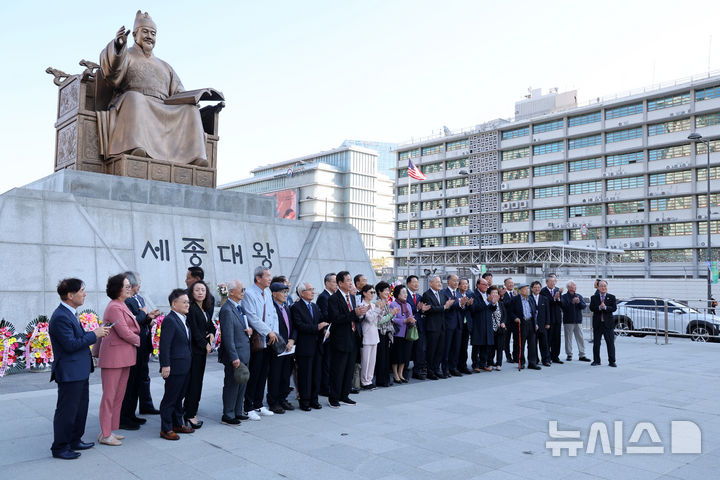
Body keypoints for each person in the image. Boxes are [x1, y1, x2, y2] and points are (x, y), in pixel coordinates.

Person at [98, 11, 210, 165]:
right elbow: (112, 74)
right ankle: (136, 146)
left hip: (163, 107)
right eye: (145, 32)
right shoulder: (127, 55)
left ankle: (195, 157)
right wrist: (118, 47)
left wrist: (193, 98)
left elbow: (178, 92)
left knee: (190, 110)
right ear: (135, 34)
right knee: (135, 98)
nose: (149, 36)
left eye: (153, 33)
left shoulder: (165, 66)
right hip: (132, 102)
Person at [49, 278, 110, 460]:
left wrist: (94, 332)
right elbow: (70, 345)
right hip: (69, 372)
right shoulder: (60, 316)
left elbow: (78, 337)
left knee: (80, 408)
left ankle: (75, 440)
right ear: (70, 295)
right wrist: (94, 335)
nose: (84, 294)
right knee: (67, 411)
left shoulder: (71, 313)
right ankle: (60, 447)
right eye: (82, 290)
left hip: (79, 370)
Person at [97, 274, 140, 446]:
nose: (130, 288)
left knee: (118, 396)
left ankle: (109, 431)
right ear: (117, 289)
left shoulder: (121, 305)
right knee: (109, 396)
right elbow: (124, 332)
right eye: (127, 286)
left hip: (124, 357)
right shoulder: (114, 307)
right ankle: (105, 434)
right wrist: (139, 339)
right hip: (114, 358)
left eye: (130, 286)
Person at [119, 272, 160, 429]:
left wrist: (149, 317)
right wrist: (144, 314)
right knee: (131, 382)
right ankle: (126, 415)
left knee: (142, 377)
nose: (139, 286)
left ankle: (141, 407)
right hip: (134, 345)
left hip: (143, 343)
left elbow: (141, 320)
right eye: (137, 283)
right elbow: (133, 322)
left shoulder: (139, 298)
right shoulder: (126, 302)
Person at [327, 271, 369, 407]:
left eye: (351, 280)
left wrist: (360, 313)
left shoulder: (351, 297)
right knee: (338, 370)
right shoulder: (334, 298)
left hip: (353, 337)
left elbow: (354, 316)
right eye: (348, 280)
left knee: (349, 369)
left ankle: (344, 395)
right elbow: (336, 319)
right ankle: (334, 398)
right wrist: (353, 314)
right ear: (340, 283)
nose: (351, 283)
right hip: (340, 339)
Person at [243, 267, 279, 420]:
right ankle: (248, 406)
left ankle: (258, 403)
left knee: (263, 373)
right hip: (257, 340)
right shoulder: (250, 294)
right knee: (255, 372)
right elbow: (252, 317)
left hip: (269, 339)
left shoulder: (268, 293)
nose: (270, 279)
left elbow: (273, 315)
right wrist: (268, 332)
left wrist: (274, 334)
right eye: (267, 276)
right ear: (258, 278)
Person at [159, 289, 194, 440]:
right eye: (184, 302)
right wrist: (165, 365)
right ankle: (166, 428)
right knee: (170, 398)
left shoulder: (183, 319)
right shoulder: (170, 320)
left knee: (179, 397)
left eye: (188, 302)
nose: (187, 304)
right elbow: (164, 345)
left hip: (185, 366)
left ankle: (177, 424)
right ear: (174, 304)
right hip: (174, 366)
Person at [217, 280, 252, 425]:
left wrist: (249, 331)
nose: (243, 292)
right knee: (232, 384)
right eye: (241, 289)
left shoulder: (239, 307)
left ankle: (238, 411)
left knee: (242, 383)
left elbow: (243, 327)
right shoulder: (226, 309)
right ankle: (228, 414)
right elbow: (227, 337)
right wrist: (234, 357)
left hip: (244, 352)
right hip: (236, 355)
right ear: (231, 292)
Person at [183, 280, 215, 429]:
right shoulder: (192, 309)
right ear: (191, 293)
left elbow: (210, 326)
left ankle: (190, 411)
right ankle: (190, 415)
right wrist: (205, 344)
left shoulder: (205, 308)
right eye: (197, 290)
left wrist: (212, 334)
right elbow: (195, 331)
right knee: (194, 384)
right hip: (195, 352)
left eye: (203, 290)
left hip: (201, 352)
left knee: (198, 382)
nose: (201, 292)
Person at [290, 282, 325, 411]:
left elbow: (321, 321)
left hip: (317, 346)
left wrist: (325, 330)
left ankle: (314, 400)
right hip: (304, 347)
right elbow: (299, 325)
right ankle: (304, 401)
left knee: (316, 374)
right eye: (310, 290)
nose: (312, 292)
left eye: (313, 289)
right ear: (302, 292)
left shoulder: (315, 306)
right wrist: (317, 327)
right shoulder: (296, 307)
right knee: (305, 375)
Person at [268, 282, 296, 414]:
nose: (285, 295)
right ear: (274, 293)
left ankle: (283, 398)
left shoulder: (286, 307)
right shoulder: (271, 308)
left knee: (285, 375)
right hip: (277, 347)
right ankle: (273, 402)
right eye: (282, 292)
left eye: (286, 292)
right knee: (275, 375)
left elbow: (293, 326)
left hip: (289, 347)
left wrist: (292, 340)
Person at [421, 276, 455, 380]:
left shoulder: (442, 294)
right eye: (437, 282)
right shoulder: (426, 294)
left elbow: (446, 308)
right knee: (432, 350)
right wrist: (444, 307)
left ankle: (436, 369)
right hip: (432, 326)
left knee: (440, 349)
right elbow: (430, 309)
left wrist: (448, 305)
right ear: (431, 283)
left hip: (442, 326)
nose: (440, 284)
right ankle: (430, 371)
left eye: (440, 282)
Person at [510, 284, 540, 370]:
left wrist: (536, 323)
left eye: (527, 289)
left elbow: (535, 312)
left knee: (532, 344)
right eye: (525, 289)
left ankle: (532, 363)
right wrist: (515, 318)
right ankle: (521, 362)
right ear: (520, 291)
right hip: (521, 323)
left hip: (531, 322)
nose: (527, 291)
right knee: (521, 344)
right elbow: (511, 312)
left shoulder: (530, 299)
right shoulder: (515, 300)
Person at [390, 285, 416, 383]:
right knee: (397, 355)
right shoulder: (393, 304)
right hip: (397, 333)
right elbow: (392, 318)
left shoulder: (408, 305)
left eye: (406, 292)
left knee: (405, 355)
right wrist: (404, 320)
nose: (405, 294)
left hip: (407, 333)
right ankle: (395, 375)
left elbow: (411, 316)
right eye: (403, 292)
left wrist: (412, 320)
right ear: (397, 294)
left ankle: (401, 374)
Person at [316, 273, 337, 397]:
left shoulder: (333, 296)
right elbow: (324, 315)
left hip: (333, 333)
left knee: (331, 362)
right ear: (327, 283)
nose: (336, 284)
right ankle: (324, 387)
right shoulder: (324, 297)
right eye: (334, 282)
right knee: (326, 362)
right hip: (327, 333)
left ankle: (328, 385)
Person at [441, 274, 465, 377]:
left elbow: (460, 307)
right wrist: (459, 303)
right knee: (447, 348)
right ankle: (445, 369)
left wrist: (463, 304)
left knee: (456, 347)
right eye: (454, 280)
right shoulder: (444, 293)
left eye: (457, 281)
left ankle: (453, 368)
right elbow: (448, 306)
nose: (456, 282)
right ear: (448, 281)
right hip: (448, 324)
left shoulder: (458, 293)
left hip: (458, 324)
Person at [589, 280, 617, 367]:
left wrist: (605, 308)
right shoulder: (594, 297)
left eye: (605, 286)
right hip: (598, 324)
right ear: (598, 287)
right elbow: (591, 308)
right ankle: (596, 360)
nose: (603, 288)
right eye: (601, 286)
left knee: (610, 343)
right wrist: (599, 307)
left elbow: (614, 308)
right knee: (596, 343)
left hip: (608, 324)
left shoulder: (611, 297)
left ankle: (612, 361)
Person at [560, 281, 591, 362]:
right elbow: (563, 307)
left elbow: (583, 306)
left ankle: (582, 354)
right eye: (573, 285)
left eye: (575, 285)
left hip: (578, 321)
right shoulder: (564, 297)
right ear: (568, 287)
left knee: (580, 338)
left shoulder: (579, 296)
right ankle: (569, 354)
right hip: (568, 321)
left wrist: (579, 302)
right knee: (568, 338)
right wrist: (572, 302)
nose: (575, 287)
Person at [406, 275, 428, 380]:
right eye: (414, 282)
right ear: (408, 283)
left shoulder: (419, 297)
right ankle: (404, 372)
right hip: (408, 327)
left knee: (420, 349)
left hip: (419, 326)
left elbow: (421, 310)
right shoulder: (405, 296)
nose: (416, 284)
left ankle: (417, 371)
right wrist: (418, 308)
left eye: (417, 282)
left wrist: (423, 310)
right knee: (408, 349)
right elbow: (406, 309)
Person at [469, 277, 493, 372]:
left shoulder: (487, 294)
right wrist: (487, 301)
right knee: (477, 346)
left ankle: (483, 363)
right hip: (478, 323)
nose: (486, 286)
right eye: (484, 284)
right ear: (478, 285)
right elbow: (474, 308)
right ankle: (475, 365)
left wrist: (493, 303)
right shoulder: (473, 295)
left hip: (487, 323)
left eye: (487, 285)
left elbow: (491, 309)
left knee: (486, 345)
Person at [374, 281, 396, 387]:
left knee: (386, 356)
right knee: (381, 357)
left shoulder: (386, 302)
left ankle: (386, 378)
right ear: (379, 291)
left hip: (387, 332)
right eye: (385, 290)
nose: (388, 292)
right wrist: (391, 315)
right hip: (380, 332)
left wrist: (393, 314)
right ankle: (381, 380)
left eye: (388, 290)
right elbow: (379, 320)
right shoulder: (377, 302)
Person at [359, 284, 380, 390]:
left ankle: (369, 379)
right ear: (364, 293)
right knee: (365, 360)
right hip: (366, 335)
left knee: (372, 360)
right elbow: (370, 319)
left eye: (373, 292)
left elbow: (377, 320)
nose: (373, 294)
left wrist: (379, 309)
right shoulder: (362, 305)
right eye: (371, 292)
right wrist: (376, 309)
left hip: (374, 335)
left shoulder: (372, 305)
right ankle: (364, 381)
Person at [540, 274, 564, 364]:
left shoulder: (558, 290)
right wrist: (554, 299)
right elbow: (546, 304)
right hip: (548, 319)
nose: (552, 283)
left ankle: (555, 356)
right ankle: (547, 357)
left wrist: (558, 299)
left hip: (557, 318)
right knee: (547, 339)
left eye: (554, 281)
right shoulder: (543, 291)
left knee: (557, 339)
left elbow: (562, 304)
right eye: (550, 281)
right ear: (546, 282)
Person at [531, 281, 551, 367]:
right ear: (532, 289)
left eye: (538, 287)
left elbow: (547, 312)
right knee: (533, 344)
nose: (537, 289)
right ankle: (534, 360)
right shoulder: (528, 298)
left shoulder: (544, 298)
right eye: (535, 287)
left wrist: (548, 323)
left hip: (543, 324)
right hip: (532, 325)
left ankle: (546, 360)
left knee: (544, 343)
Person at [487, 286, 507, 370]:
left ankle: (499, 364)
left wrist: (503, 322)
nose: (495, 294)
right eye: (493, 293)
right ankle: (490, 363)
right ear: (489, 294)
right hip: (491, 329)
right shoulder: (488, 303)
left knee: (499, 347)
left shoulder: (501, 303)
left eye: (496, 293)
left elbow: (505, 315)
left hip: (500, 329)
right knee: (491, 348)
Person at [456, 278, 473, 375]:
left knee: (465, 346)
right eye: (463, 284)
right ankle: (456, 366)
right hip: (458, 323)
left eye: (467, 284)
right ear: (459, 286)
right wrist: (462, 304)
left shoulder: (469, 295)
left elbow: (472, 310)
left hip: (467, 324)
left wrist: (470, 305)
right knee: (457, 345)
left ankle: (463, 365)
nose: (465, 286)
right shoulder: (456, 295)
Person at [502, 277, 517, 363]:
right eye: (509, 283)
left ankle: (515, 355)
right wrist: (514, 298)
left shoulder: (516, 294)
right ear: (505, 285)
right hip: (507, 321)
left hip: (515, 320)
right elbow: (505, 304)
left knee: (516, 339)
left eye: (512, 283)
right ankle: (508, 356)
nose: (511, 284)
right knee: (506, 340)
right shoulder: (503, 295)